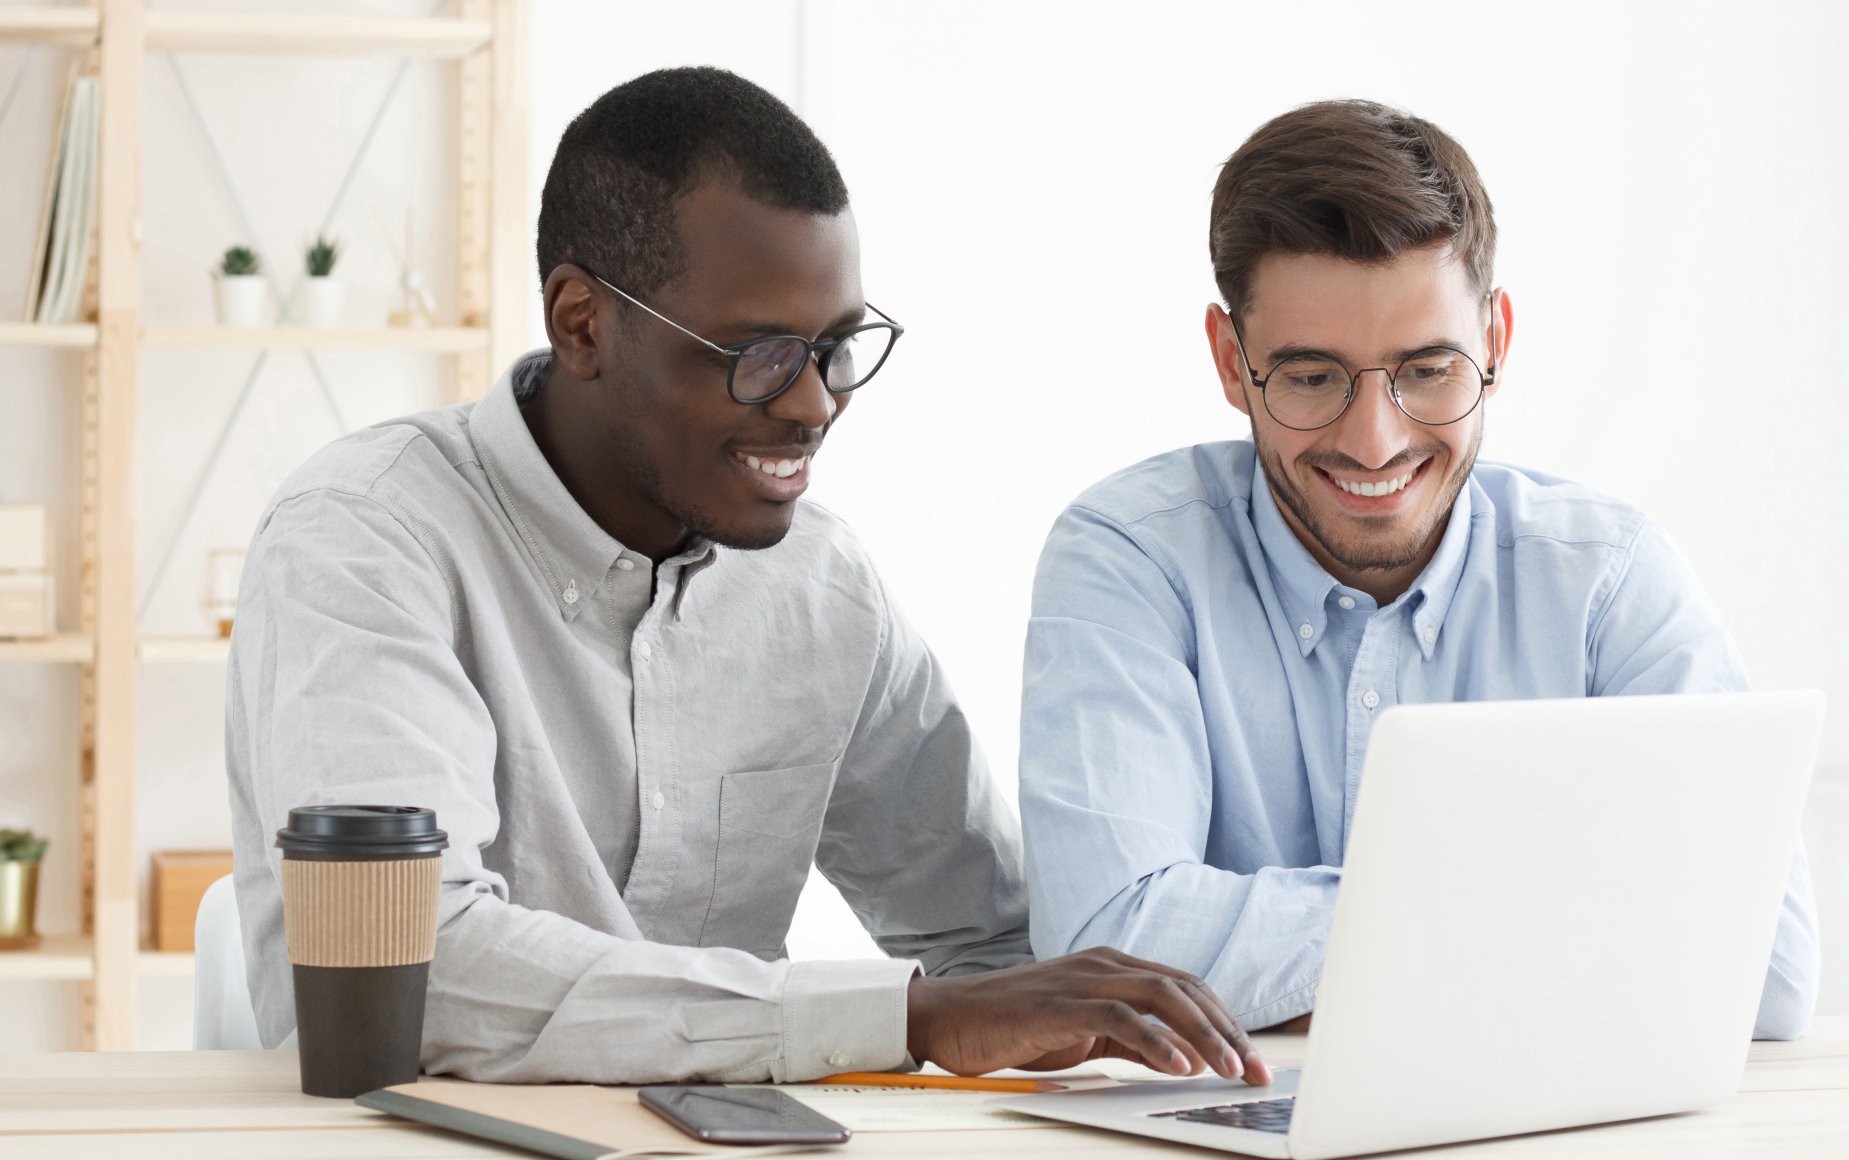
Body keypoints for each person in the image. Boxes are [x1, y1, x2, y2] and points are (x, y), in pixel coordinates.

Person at [228, 67, 1266, 1087]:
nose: (814, 405)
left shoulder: (820, 587)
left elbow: (991, 944)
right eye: (759, 354)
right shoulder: (365, 539)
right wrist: (905, 1017)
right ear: (582, 323)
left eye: (836, 347)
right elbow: (414, 970)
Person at [1018, 99, 1817, 1040]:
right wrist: (1550, 913)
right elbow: (1109, 946)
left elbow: (1764, 967)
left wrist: (1329, 942)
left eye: (1430, 370)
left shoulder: (1606, 581)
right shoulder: (1131, 559)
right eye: (1311, 377)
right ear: (1232, 363)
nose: (1375, 441)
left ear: (1496, 343)